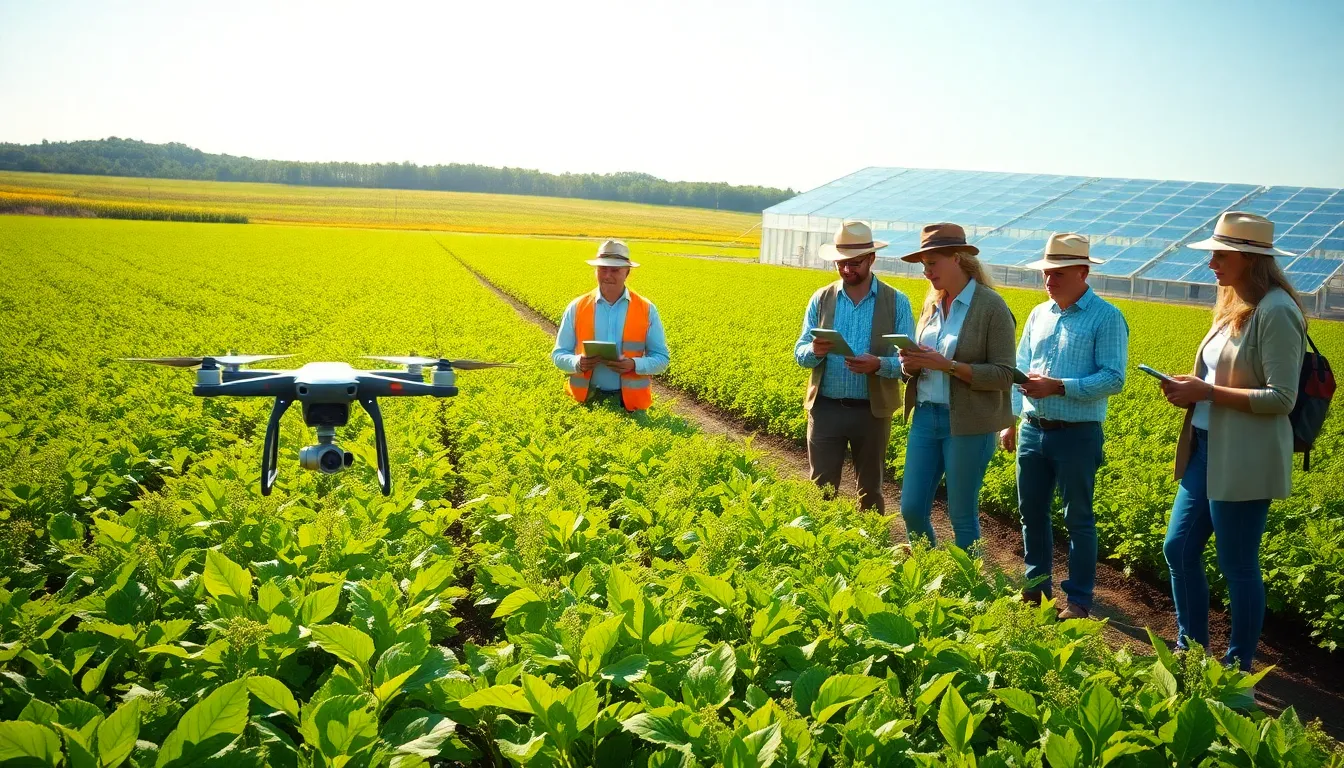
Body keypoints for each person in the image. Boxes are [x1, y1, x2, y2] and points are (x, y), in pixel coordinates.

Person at [1159, 211, 1306, 671]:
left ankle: (1238, 666)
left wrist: (1207, 392)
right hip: (1207, 447)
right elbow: (1217, 375)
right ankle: (1192, 649)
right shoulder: (1232, 306)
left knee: (1238, 564)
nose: (1212, 264)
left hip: (1244, 457)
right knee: (1177, 548)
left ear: (1249, 257)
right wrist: (1191, 390)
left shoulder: (1277, 310)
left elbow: (1282, 397)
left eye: (1221, 255)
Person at [1000, 233, 1129, 619]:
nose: (1049, 279)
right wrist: (1010, 420)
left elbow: (1113, 378)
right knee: (1031, 512)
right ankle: (1035, 590)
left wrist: (1059, 386)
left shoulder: (1106, 317)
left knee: (1079, 519)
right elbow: (1017, 368)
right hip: (1032, 429)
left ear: (1083, 271)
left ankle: (1078, 601)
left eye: (1057, 272)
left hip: (1077, 434)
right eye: (1046, 273)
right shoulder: (1040, 314)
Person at [896, 223, 1016, 549]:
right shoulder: (932, 305)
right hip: (925, 417)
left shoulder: (991, 307)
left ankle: (966, 587)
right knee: (911, 508)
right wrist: (910, 366)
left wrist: (947, 366)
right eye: (923, 265)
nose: (926, 272)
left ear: (958, 258)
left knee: (960, 513)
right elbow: (922, 362)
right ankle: (927, 571)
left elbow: (1005, 375)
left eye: (932, 263)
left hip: (968, 424)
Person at [794, 220, 915, 512]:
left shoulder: (896, 301)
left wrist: (879, 365)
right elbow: (799, 353)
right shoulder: (821, 299)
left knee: (870, 492)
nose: (848, 270)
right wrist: (815, 350)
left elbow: (909, 363)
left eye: (855, 263)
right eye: (841, 264)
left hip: (872, 412)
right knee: (821, 491)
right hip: (826, 408)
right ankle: (821, 548)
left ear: (872, 259)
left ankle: (869, 550)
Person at [551, 240, 670, 412]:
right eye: (602, 269)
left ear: (627, 272)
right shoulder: (577, 307)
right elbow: (558, 355)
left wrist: (634, 365)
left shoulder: (646, 309)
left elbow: (662, 359)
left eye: (615, 270)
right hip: (583, 402)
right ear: (596, 271)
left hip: (629, 405)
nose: (607, 275)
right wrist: (578, 363)